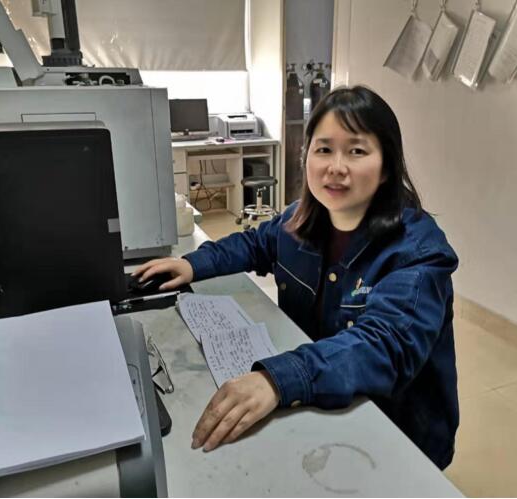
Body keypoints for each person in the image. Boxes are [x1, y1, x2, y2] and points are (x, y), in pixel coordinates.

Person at [133, 85, 459, 470]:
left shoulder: (417, 251)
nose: (336, 167)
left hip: (396, 433)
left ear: (386, 166)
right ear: (306, 156)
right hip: (323, 409)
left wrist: (279, 379)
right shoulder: (299, 219)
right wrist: (192, 264)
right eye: (324, 149)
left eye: (356, 151)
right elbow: (255, 244)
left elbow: (384, 346)